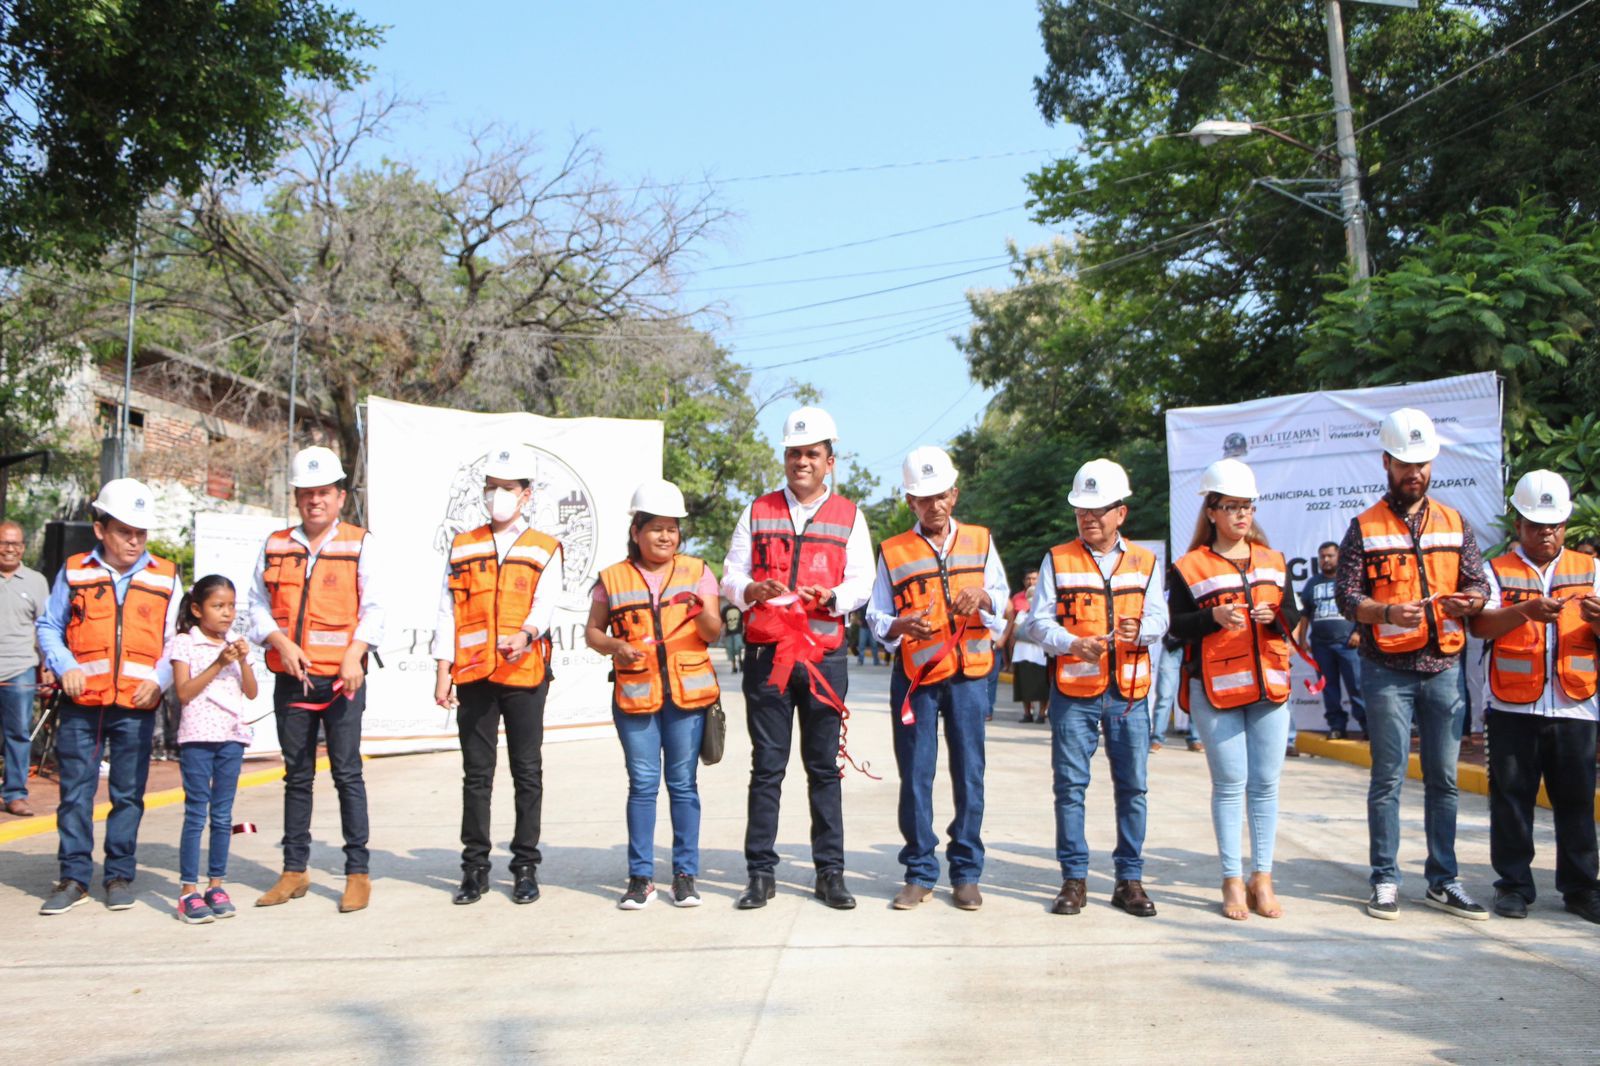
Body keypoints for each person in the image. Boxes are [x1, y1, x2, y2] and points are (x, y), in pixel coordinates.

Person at [1336, 408, 1491, 922]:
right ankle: (1384, 878)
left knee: (1445, 779)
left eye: (1422, 462)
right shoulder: (1363, 527)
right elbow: (1345, 596)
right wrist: (1383, 612)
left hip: (1444, 664)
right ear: (1386, 462)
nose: (1414, 472)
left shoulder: (1455, 522)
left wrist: (1472, 599)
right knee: (1388, 778)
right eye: (1405, 462)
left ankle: (1442, 880)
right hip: (1386, 670)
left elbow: (1478, 581)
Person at [721, 406, 873, 910]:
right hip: (769, 657)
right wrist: (750, 590)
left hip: (822, 657)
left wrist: (833, 598)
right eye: (793, 453)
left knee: (824, 769)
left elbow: (862, 581)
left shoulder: (850, 515)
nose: (801, 462)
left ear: (831, 460)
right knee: (767, 767)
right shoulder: (756, 510)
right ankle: (760, 872)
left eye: (811, 454)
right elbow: (729, 575)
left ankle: (830, 872)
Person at [867, 447, 1008, 911]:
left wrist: (984, 596)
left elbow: (1004, 603)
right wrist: (901, 626)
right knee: (916, 775)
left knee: (970, 773)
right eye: (923, 498)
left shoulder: (981, 541)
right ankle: (920, 870)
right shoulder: (892, 550)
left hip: (970, 675)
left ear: (954, 492)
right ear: (910, 501)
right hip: (917, 677)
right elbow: (875, 616)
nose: (935, 505)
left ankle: (966, 872)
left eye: (941, 495)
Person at [1026, 458, 1167, 918]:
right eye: (1081, 510)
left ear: (1120, 513)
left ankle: (1129, 880)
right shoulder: (1058, 558)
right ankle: (1074, 879)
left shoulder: (1146, 562)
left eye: (1099, 509)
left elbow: (1161, 618)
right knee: (1070, 787)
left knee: (1133, 788)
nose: (1088, 517)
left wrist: (1139, 630)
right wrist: (1071, 643)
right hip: (1074, 691)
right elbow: (1036, 623)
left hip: (1128, 693)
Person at [248, 446, 384, 914]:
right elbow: (255, 604)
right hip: (293, 678)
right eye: (306, 494)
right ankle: (294, 870)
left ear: (340, 496)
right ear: (296, 497)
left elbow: (376, 608)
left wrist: (355, 654)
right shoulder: (275, 544)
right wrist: (279, 643)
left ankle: (357, 873)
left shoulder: (360, 543)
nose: (314, 502)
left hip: (343, 680)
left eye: (323, 493)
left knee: (347, 773)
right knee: (297, 777)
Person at [36, 479, 181, 915]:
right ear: (101, 529)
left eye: (141, 532)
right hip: (83, 705)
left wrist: (160, 679)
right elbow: (49, 626)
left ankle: (119, 875)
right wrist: (66, 666)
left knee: (128, 794)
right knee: (75, 793)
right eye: (124, 531)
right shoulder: (76, 570)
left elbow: (175, 641)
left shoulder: (166, 576)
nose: (134, 540)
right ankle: (74, 878)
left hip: (137, 706)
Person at [431, 444, 562, 906]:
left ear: (526, 495)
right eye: (491, 489)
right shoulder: (464, 544)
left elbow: (546, 603)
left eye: (507, 489)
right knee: (477, 773)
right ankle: (475, 868)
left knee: (527, 771)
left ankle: (525, 866)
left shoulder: (544, 546)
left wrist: (526, 633)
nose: (497, 497)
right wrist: (442, 669)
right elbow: (448, 610)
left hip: (525, 670)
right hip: (473, 674)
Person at [1169, 459, 1299, 921]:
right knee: (1230, 785)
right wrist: (1213, 618)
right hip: (1217, 688)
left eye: (1247, 506)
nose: (1242, 515)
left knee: (1265, 785)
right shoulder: (1189, 567)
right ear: (1211, 511)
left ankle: (1261, 877)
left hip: (1270, 685)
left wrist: (1276, 618)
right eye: (1231, 507)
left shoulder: (1273, 561)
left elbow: (1295, 618)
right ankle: (1231, 879)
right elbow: (1174, 627)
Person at [1469, 470, 1600, 924]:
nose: (1548, 534)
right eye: (1538, 525)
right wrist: (1522, 610)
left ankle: (1582, 888)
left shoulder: (1592, 569)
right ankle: (1513, 886)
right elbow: (1479, 626)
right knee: (1511, 797)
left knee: (1578, 800)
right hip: (1511, 706)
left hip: (1575, 705)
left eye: (1556, 525)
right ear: (1518, 525)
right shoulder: (1495, 570)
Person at [586, 479, 722, 910]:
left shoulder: (698, 572)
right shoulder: (612, 578)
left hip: (687, 698)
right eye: (655, 528)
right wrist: (614, 646)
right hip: (636, 696)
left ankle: (685, 874)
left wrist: (701, 613)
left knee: (683, 784)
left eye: (672, 528)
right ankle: (641, 877)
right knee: (643, 784)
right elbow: (593, 632)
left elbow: (714, 632)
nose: (665, 536)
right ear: (636, 531)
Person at [168, 574, 257, 924]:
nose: (226, 613)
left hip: (231, 739)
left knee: (223, 816)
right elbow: (184, 692)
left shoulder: (235, 642)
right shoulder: (184, 643)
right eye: (217, 606)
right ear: (197, 609)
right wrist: (219, 662)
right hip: (197, 740)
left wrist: (242, 661)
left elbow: (251, 692)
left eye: (231, 606)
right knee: (196, 814)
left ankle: (216, 885)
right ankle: (188, 890)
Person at [0, 520, 49, 817]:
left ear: (23, 548)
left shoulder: (35, 582)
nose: (10, 549)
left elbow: (45, 630)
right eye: (5, 543)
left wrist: (48, 668)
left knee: (17, 732)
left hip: (20, 670)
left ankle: (15, 793)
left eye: (16, 544)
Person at [1297, 541, 1365, 738]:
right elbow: (1305, 614)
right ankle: (1337, 726)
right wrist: (1302, 640)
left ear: (1339, 556)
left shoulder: (1349, 582)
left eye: (1330, 556)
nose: (1325, 560)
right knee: (1329, 688)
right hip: (1321, 646)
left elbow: (1362, 608)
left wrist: (1358, 633)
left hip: (1348, 645)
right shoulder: (1312, 583)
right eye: (1322, 557)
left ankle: (1367, 726)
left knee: (1357, 686)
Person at [1001, 569, 1048, 722]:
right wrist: (1009, 658)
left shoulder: (1046, 613)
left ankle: (1042, 713)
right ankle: (1027, 713)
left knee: (1042, 685)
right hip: (1022, 653)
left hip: (1040, 654)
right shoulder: (1021, 612)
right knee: (1023, 684)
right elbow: (1014, 634)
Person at [1148, 633, 1202, 753]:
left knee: (1196, 692)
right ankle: (1156, 739)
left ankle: (1196, 739)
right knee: (1164, 695)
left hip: (1197, 644)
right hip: (1173, 642)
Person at [721, 600, 743, 673]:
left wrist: (744, 630)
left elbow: (743, 620)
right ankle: (734, 666)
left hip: (738, 632)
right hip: (728, 633)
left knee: (738, 647)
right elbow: (723, 622)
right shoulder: (725, 609)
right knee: (730, 650)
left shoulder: (739, 607)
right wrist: (723, 632)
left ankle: (740, 660)